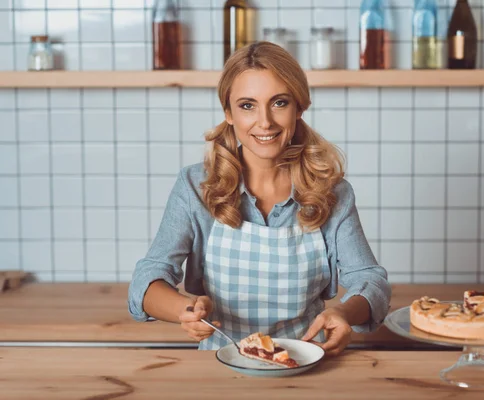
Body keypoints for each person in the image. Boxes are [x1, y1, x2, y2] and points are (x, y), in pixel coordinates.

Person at [128, 42, 391, 355]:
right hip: (219, 366)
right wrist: (184, 309)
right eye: (247, 105)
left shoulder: (332, 193)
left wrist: (342, 313)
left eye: (279, 103)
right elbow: (146, 280)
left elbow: (370, 280)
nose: (265, 122)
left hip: (304, 362)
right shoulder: (196, 185)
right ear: (228, 112)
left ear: (299, 107)